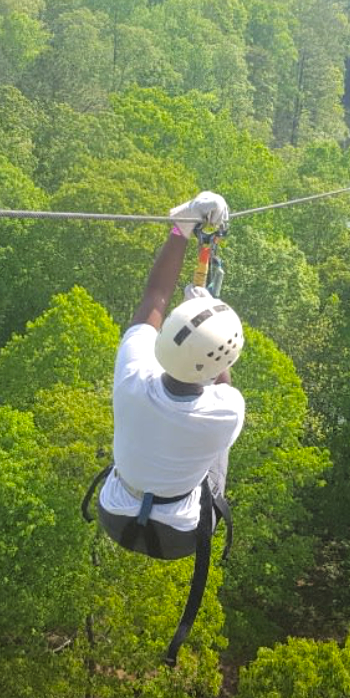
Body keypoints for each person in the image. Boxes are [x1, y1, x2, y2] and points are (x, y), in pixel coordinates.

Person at [95, 190, 245, 560]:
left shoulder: (133, 372)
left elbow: (155, 298)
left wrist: (181, 228)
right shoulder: (225, 411)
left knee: (199, 435)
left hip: (114, 514)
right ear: (218, 366)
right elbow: (219, 381)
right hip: (181, 537)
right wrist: (205, 307)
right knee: (217, 447)